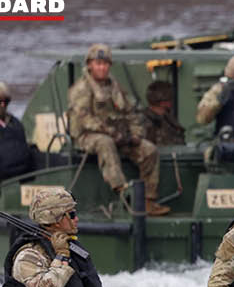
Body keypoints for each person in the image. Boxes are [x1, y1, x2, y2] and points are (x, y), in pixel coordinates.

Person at [67, 43, 169, 215]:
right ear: (90, 65)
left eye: (105, 64)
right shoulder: (82, 89)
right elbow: (84, 119)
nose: (102, 67)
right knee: (105, 144)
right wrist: (111, 132)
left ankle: (148, 201)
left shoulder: (115, 88)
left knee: (149, 150)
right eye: (98, 63)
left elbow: (129, 112)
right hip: (88, 136)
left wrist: (135, 134)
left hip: (118, 134)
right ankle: (124, 193)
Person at [139, 80, 186, 146]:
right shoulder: (146, 121)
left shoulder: (167, 118)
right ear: (164, 102)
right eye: (170, 98)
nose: (172, 102)